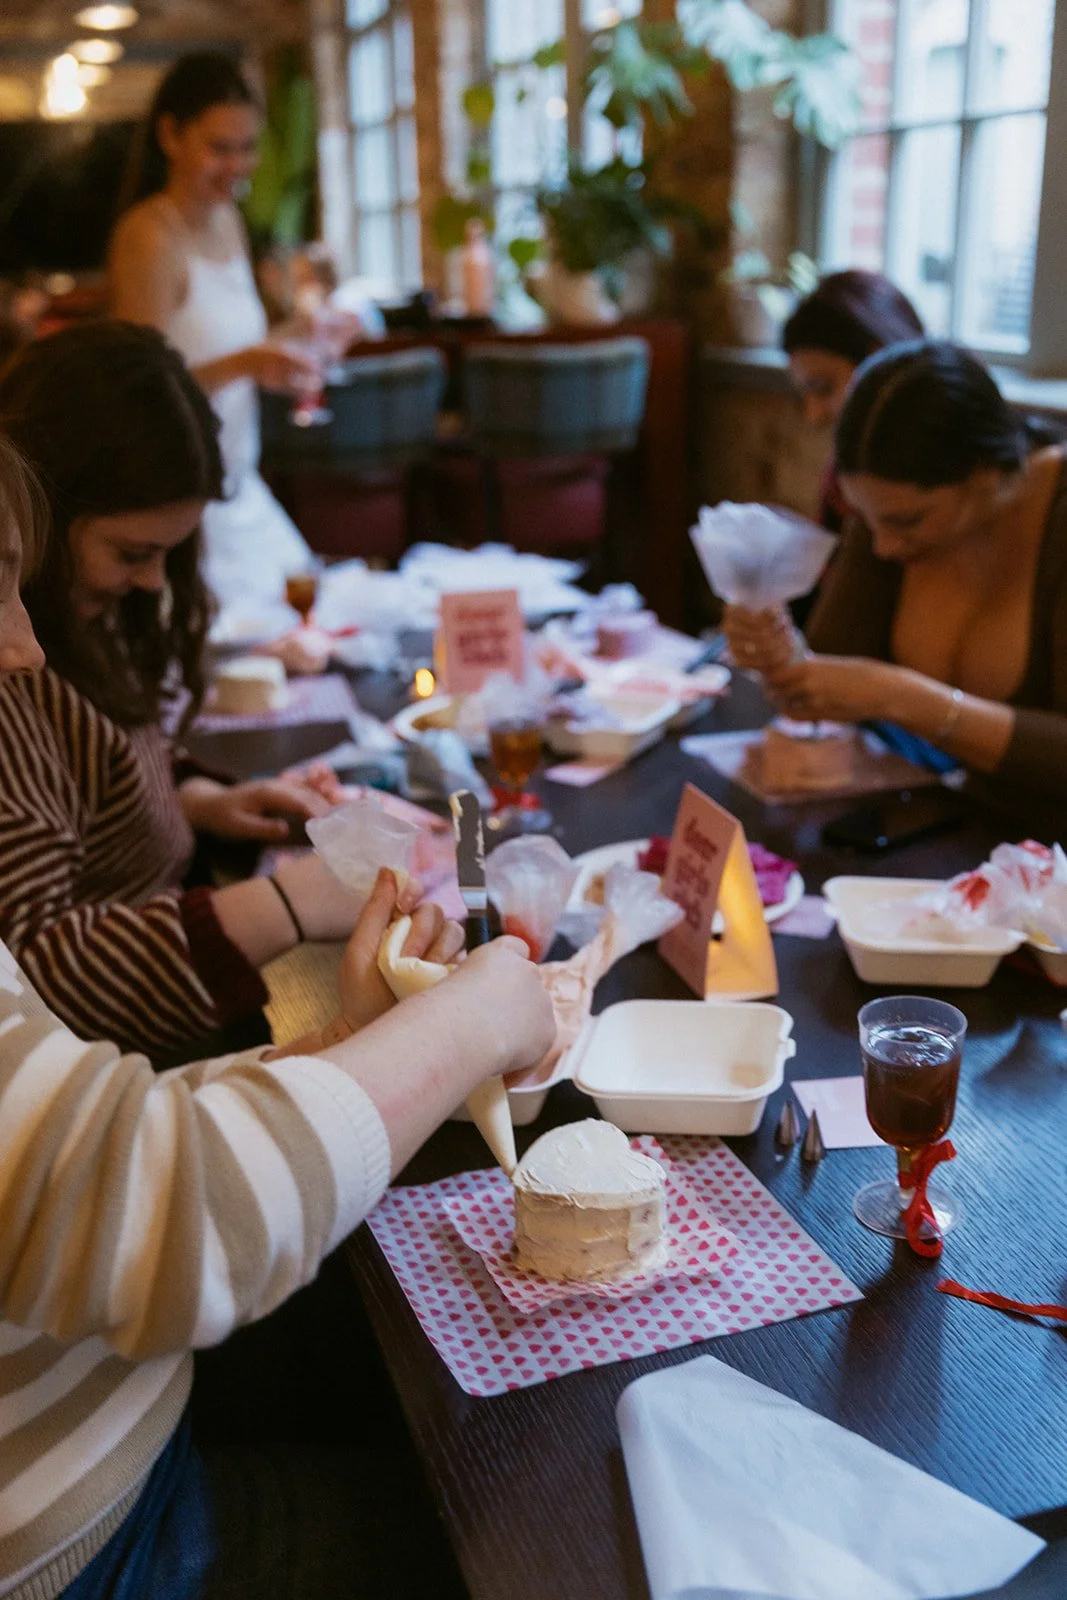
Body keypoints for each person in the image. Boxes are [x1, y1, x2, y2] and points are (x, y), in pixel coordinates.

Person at [0, 431, 556, 1598]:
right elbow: (180, 1203)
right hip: (91, 1541)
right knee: (524, 1517)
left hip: (119, 1401)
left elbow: (82, 1157)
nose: (23, 644)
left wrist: (341, 1049)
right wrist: (474, 1016)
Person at [0, 320, 394, 1056]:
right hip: (125, 1058)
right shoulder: (17, 677)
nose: (151, 580)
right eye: (131, 553)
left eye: (166, 555)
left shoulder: (88, 616)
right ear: (40, 513)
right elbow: (35, 974)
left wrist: (198, 801)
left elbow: (96, 773)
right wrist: (287, 903)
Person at [723, 341, 1067, 802]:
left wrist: (901, 699)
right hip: (943, 821)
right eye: (867, 520)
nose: (883, 546)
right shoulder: (889, 505)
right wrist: (777, 651)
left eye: (907, 521)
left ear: (984, 476)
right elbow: (829, 673)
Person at [108, 51, 319, 609]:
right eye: (219, 147)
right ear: (170, 136)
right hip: (182, 509)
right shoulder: (149, 238)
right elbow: (137, 396)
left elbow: (231, 345)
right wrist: (248, 364)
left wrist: (308, 334)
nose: (237, 165)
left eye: (247, 147)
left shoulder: (228, 223)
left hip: (239, 488)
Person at [783, 270, 925, 534]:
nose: (813, 416)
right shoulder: (843, 475)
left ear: (880, 362)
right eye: (804, 395)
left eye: (823, 388)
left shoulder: (938, 472)